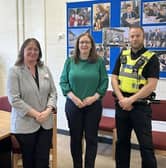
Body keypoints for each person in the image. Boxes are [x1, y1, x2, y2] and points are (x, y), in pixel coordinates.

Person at [111, 26, 159, 168]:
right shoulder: (123, 54)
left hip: (140, 107)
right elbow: (113, 78)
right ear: (129, 38)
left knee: (146, 146)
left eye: (137, 36)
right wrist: (121, 99)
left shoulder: (152, 58)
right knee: (122, 143)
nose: (134, 39)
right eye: (132, 36)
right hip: (121, 105)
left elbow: (151, 85)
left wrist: (130, 100)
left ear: (143, 37)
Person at [60, 33, 108, 168]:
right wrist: (74, 99)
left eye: (87, 42)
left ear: (92, 45)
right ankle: (77, 165)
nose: (84, 45)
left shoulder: (98, 61)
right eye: (81, 42)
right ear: (77, 45)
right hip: (73, 105)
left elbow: (104, 82)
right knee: (75, 138)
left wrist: (93, 98)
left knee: (91, 139)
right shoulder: (70, 61)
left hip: (93, 106)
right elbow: (63, 82)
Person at [7, 38, 57, 168]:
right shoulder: (15, 71)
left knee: (43, 160)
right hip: (25, 125)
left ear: (39, 52)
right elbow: (14, 99)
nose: (33, 52)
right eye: (29, 49)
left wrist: (47, 110)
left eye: (36, 49)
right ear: (23, 51)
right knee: (29, 161)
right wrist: (36, 115)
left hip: (45, 123)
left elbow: (53, 92)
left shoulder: (44, 69)